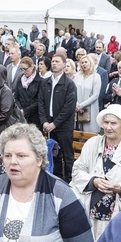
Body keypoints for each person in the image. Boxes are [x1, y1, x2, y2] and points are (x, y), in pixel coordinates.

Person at [70, 104, 121, 239]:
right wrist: (93, 181)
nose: (108, 127)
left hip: (119, 214)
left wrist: (120, 187)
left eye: (113, 123)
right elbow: (77, 170)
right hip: (90, 210)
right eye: (106, 122)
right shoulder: (92, 143)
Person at [39, 53, 77, 182]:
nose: (54, 63)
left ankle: (69, 181)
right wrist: (44, 121)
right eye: (53, 61)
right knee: (53, 154)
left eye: (57, 61)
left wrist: (55, 123)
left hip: (63, 126)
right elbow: (41, 103)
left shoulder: (69, 84)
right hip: (49, 124)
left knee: (67, 156)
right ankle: (57, 179)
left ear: (64, 65)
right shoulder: (46, 82)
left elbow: (69, 107)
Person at [74, 54, 101, 134]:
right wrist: (77, 105)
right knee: (78, 133)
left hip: (90, 108)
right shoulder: (78, 75)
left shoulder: (96, 76)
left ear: (90, 63)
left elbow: (95, 95)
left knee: (90, 133)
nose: (84, 64)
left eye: (86, 62)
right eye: (82, 62)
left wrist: (81, 105)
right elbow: (74, 91)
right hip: (77, 109)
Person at [13, 56, 41, 126]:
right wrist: (20, 110)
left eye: (25, 69)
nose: (23, 72)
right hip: (21, 116)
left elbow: (39, 100)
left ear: (31, 67)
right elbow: (16, 97)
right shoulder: (20, 79)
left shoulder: (40, 81)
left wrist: (26, 111)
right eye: (21, 69)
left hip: (34, 117)